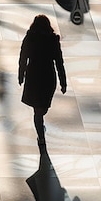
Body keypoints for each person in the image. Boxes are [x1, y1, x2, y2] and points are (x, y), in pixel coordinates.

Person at [18, 15, 66, 150]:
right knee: (42, 108)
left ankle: (40, 132)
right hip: (48, 76)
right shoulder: (53, 40)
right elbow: (59, 62)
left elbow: (23, 58)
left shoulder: (30, 38)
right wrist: (63, 81)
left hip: (33, 76)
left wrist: (21, 74)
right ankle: (41, 135)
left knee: (38, 110)